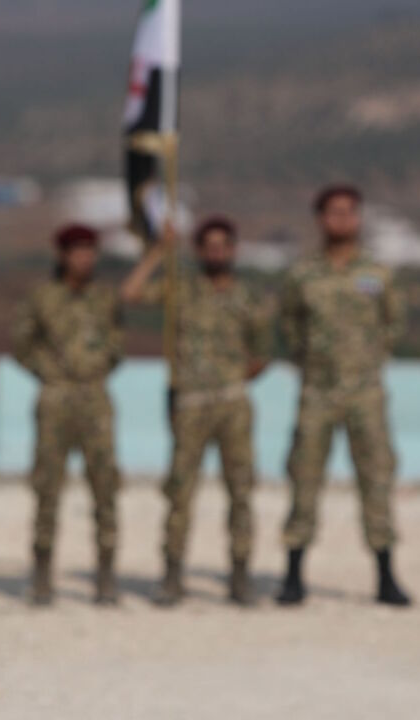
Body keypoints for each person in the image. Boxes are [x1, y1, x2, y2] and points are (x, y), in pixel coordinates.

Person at [121, 217, 271, 605]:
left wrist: (235, 380)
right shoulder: (181, 289)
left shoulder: (247, 296)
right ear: (200, 251)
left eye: (224, 245)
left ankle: (240, 576)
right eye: (210, 246)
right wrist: (159, 252)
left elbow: (263, 349)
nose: (217, 252)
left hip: (233, 406)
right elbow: (131, 293)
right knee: (180, 494)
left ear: (233, 250)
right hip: (189, 405)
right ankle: (172, 577)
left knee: (240, 491)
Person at [276, 184, 412, 607]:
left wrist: (366, 362)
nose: (342, 219)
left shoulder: (377, 274)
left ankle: (386, 576)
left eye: (349, 212)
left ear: (359, 218)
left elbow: (393, 324)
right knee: (304, 479)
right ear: (320, 219)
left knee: (376, 479)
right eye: (334, 212)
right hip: (317, 392)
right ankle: (293, 575)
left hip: (365, 394)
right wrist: (312, 363)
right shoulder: (302, 275)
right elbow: (289, 326)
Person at [11, 224, 124, 605]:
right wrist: (49, 371)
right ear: (62, 256)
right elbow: (22, 343)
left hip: (95, 399)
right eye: (77, 251)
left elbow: (117, 340)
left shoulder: (105, 298)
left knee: (105, 488)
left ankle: (106, 577)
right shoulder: (44, 298)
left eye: (91, 251)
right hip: (56, 400)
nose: (85, 258)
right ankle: (42, 576)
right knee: (47, 489)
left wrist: (99, 365)